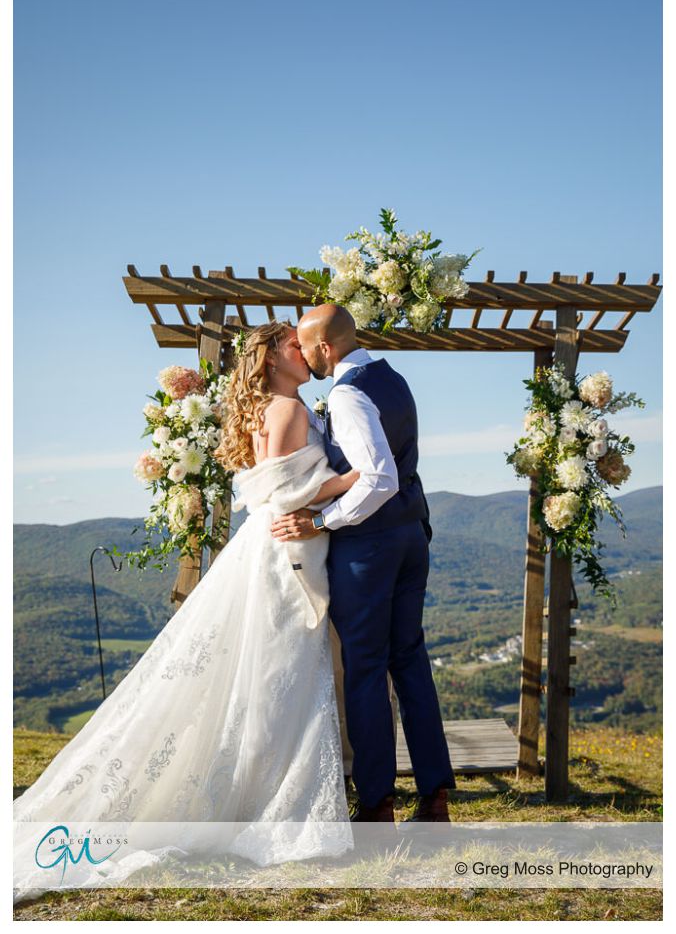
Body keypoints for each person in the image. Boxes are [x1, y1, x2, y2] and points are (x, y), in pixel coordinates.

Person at [13, 321, 356, 904]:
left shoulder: (269, 408)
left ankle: (253, 788)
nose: (303, 350)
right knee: (283, 678)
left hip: (268, 550)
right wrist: (357, 478)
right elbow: (283, 494)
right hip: (290, 552)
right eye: (291, 345)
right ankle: (264, 802)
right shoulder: (289, 411)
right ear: (271, 359)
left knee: (267, 678)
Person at [271, 304, 456, 823]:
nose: (304, 359)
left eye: (306, 348)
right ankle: (435, 795)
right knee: (411, 662)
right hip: (411, 538)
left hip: (370, 549)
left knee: (367, 670)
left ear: (325, 347)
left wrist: (322, 521)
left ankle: (376, 801)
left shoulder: (348, 394)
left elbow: (379, 478)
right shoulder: (393, 379)